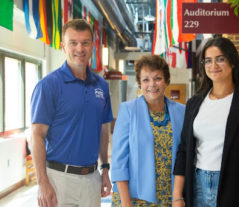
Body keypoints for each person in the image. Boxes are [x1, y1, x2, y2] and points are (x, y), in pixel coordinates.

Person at [172, 37, 239, 207]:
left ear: (232, 62)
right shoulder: (194, 103)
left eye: (220, 59)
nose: (213, 66)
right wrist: (177, 195)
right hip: (197, 185)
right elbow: (184, 150)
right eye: (208, 61)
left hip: (235, 186)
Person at [31, 19, 113, 207]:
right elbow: (37, 135)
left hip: (92, 179)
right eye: (73, 43)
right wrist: (42, 182)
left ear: (92, 45)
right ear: (63, 46)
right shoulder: (48, 86)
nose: (80, 48)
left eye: (85, 42)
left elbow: (102, 131)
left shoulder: (101, 86)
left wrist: (105, 170)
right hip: (59, 179)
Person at [111, 55, 185, 206]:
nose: (152, 84)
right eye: (145, 79)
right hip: (133, 197)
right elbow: (119, 162)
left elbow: (184, 156)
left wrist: (179, 196)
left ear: (166, 81)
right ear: (140, 83)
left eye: (157, 78)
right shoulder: (128, 110)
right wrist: (126, 203)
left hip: (170, 197)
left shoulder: (181, 112)